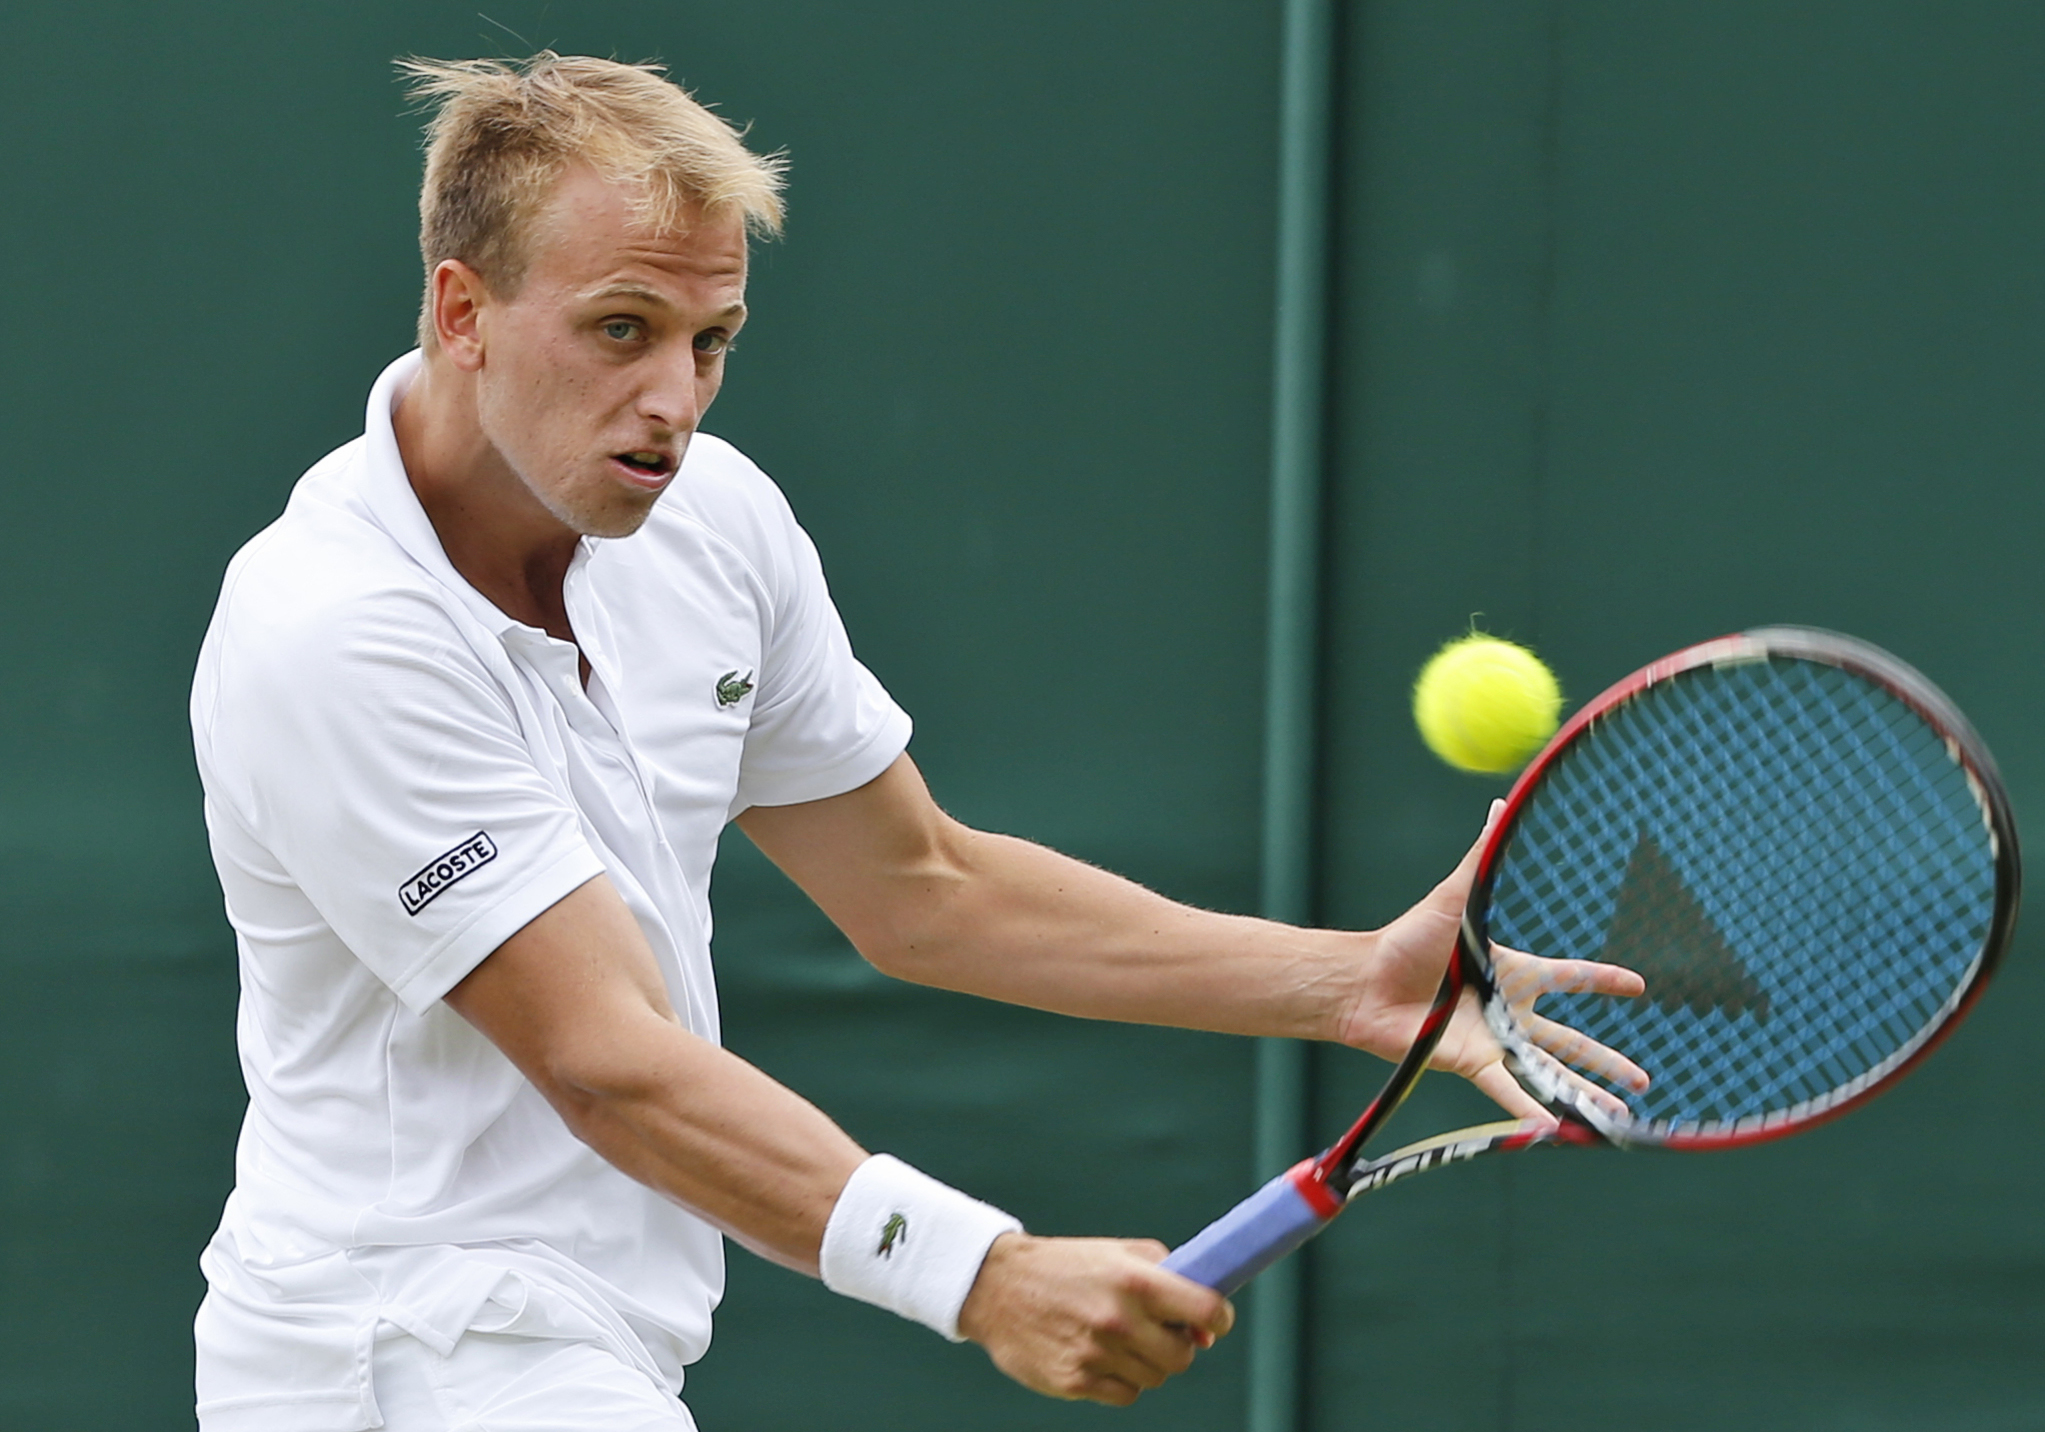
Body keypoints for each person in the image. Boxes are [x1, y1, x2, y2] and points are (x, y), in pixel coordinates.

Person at [188, 52, 1644, 1432]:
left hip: (581, 1339)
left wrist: (1345, 982)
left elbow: (921, 887)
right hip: (393, 1353)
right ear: (461, 312)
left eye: (712, 343)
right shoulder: (334, 627)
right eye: (620, 329)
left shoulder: (710, 525)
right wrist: (984, 1275)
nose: (674, 403)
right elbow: (605, 1059)